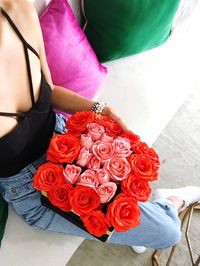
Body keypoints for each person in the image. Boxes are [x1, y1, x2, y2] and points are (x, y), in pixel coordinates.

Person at [0, 0, 200, 252]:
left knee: (138, 176)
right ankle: (171, 201)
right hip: (34, 193)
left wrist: (100, 109)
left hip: (69, 139)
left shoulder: (17, 9)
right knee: (168, 232)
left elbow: (47, 90)